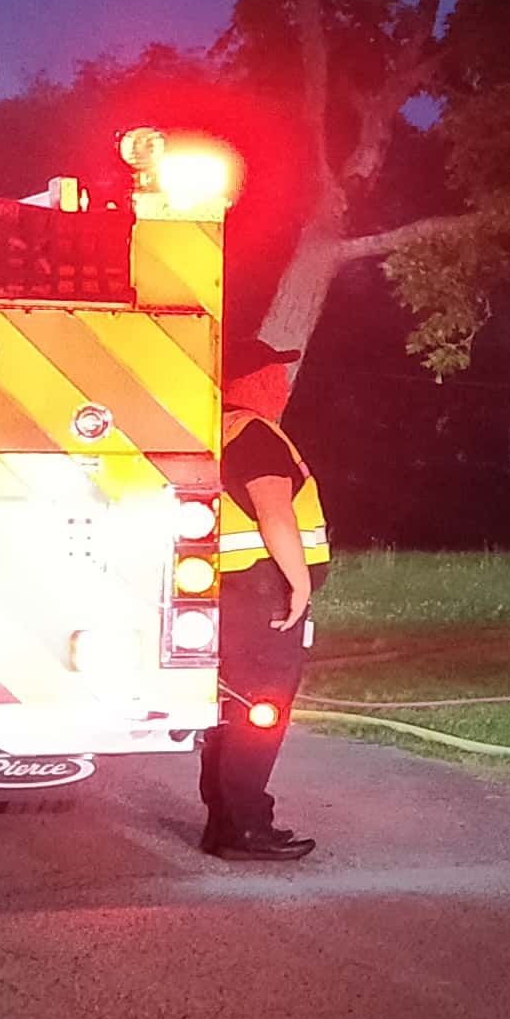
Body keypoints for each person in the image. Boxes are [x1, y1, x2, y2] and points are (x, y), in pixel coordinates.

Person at [203, 335, 328, 860]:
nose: (281, 382)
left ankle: (228, 822)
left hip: (230, 593)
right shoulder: (254, 432)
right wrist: (298, 583)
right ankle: (243, 828)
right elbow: (274, 511)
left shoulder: (215, 428)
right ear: (250, 382)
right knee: (262, 710)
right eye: (273, 372)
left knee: (233, 714)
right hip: (262, 594)